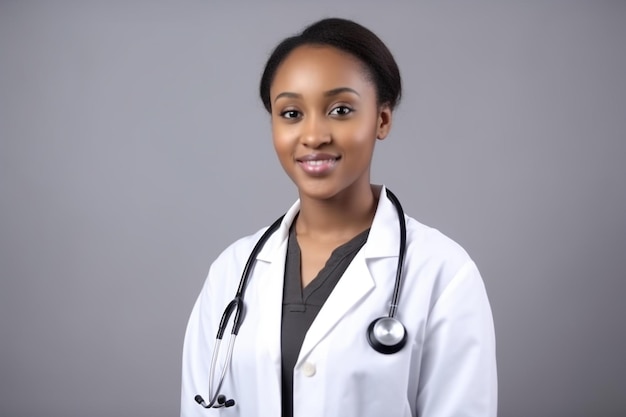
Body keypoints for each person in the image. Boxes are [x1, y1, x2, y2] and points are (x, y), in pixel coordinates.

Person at [181, 17, 497, 417]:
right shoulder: (231, 271)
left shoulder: (443, 273)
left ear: (381, 120)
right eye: (291, 113)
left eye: (340, 109)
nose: (313, 135)